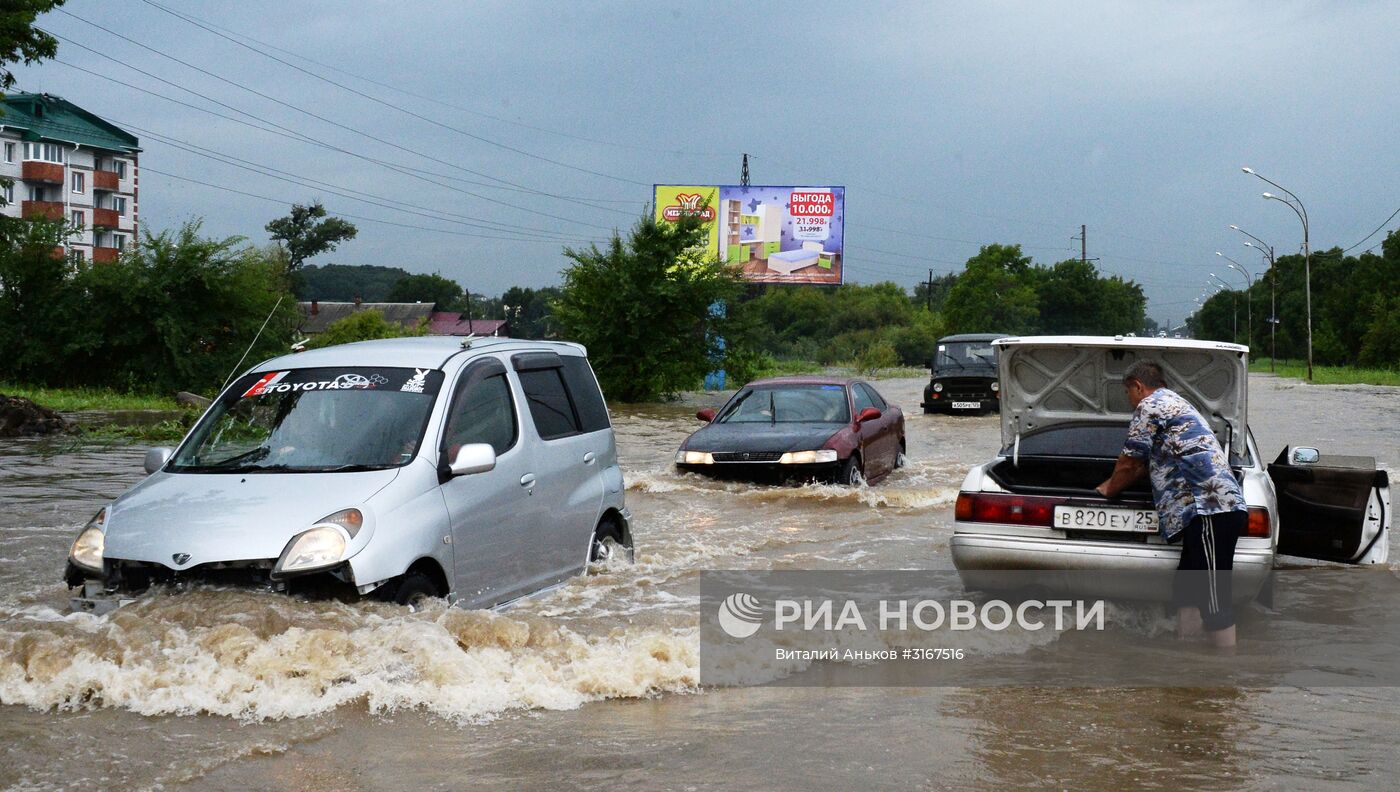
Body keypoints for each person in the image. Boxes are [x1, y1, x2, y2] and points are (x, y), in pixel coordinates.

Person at [1095, 360, 1247, 648]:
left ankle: (1226, 678)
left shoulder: (1150, 405)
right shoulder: (1175, 403)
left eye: (1129, 393)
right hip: (1203, 511)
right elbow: (1152, 461)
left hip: (1210, 508)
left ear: (1138, 386)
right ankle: (1186, 658)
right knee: (1188, 589)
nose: (1130, 401)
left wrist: (1107, 489)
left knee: (1214, 597)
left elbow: (1129, 462)